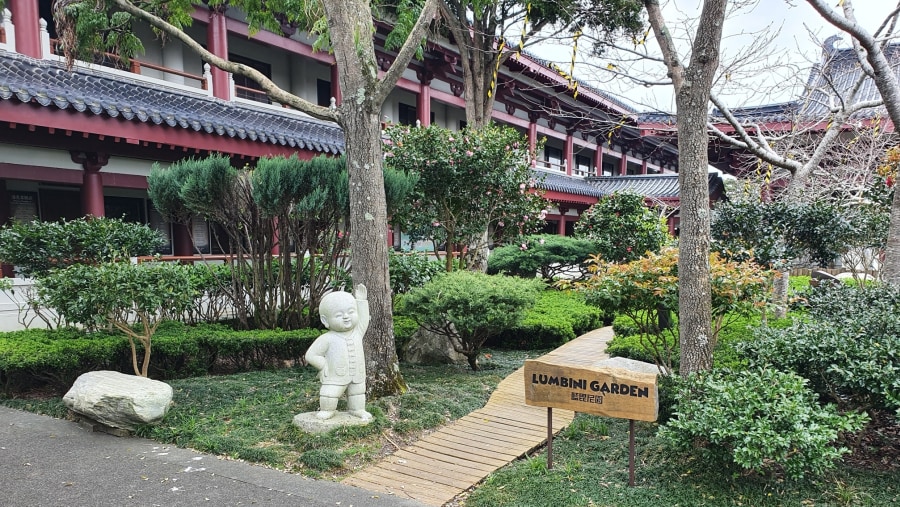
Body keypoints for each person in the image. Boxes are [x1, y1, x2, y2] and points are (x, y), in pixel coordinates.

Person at [305, 285, 372, 421]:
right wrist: (324, 366)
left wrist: (361, 301)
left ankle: (357, 409)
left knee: (358, 393)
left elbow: (364, 319)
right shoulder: (327, 338)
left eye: (351, 312)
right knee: (329, 394)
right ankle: (328, 410)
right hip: (335, 375)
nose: (346, 317)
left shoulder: (357, 333)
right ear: (325, 320)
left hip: (357, 373)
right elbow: (311, 355)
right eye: (339, 315)